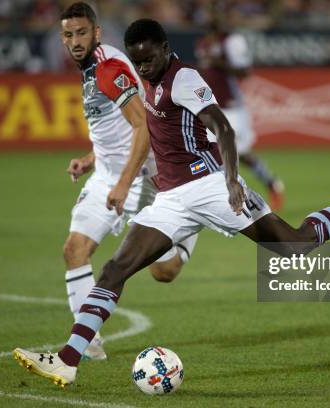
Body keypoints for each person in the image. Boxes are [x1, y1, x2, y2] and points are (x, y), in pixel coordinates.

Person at [13, 18, 330, 387]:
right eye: (139, 61)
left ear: (166, 49)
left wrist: (232, 181)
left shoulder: (183, 79)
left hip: (211, 186)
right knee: (116, 269)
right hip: (172, 200)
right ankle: (68, 360)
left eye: (150, 59)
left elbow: (223, 127)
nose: (144, 68)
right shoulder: (146, 80)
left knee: (293, 246)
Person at [56, 3, 198, 361]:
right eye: (69, 35)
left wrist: (122, 183)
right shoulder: (89, 67)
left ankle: (190, 225)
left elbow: (142, 129)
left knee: (163, 272)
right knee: (74, 250)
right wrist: (92, 159)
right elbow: (112, 129)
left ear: (97, 33)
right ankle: (88, 342)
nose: (75, 41)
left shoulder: (109, 68)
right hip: (108, 174)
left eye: (82, 33)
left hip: (143, 176)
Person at [195, 13, 285, 210]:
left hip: (232, 107)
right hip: (211, 107)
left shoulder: (231, 41)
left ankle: (271, 183)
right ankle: (220, 199)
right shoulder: (202, 43)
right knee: (210, 153)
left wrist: (220, 64)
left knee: (240, 153)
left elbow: (244, 72)